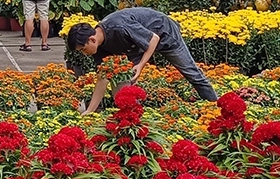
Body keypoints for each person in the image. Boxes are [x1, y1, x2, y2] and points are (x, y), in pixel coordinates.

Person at [67, 7, 218, 114]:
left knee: (191, 73)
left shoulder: (118, 27)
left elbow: (153, 39)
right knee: (123, 81)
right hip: (135, 46)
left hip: (163, 34)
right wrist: (89, 112)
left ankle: (215, 107)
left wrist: (140, 65)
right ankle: (132, 116)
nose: (84, 54)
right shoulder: (98, 48)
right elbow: (103, 78)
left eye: (82, 50)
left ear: (92, 39)